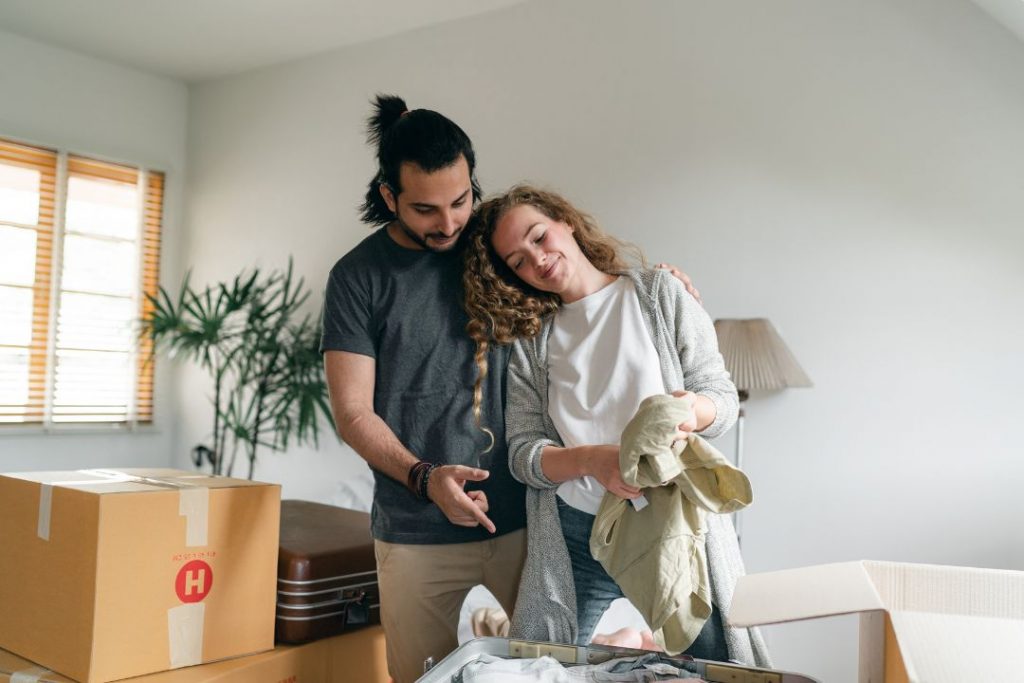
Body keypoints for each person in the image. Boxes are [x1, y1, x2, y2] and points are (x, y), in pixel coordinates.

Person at [322, 95, 702, 682]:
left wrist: (658, 287)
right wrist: (426, 477)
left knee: (549, 670)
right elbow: (352, 412)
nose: (449, 224)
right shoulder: (357, 277)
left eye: (460, 199)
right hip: (415, 529)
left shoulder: (497, 248)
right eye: (425, 209)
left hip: (529, 518)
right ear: (388, 197)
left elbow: (578, 280)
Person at [462, 185, 771, 666]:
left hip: (674, 525)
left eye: (539, 237)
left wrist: (692, 411)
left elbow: (721, 399)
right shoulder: (532, 340)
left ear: (566, 221)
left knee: (719, 669)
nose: (537, 260)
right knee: (534, 669)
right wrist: (594, 462)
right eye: (518, 261)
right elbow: (524, 454)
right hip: (576, 535)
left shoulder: (659, 294)